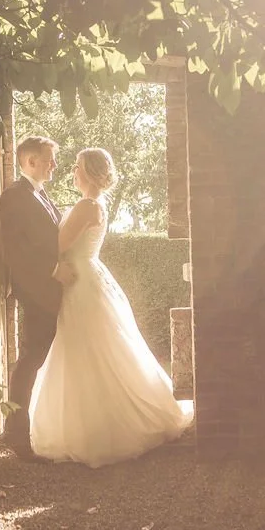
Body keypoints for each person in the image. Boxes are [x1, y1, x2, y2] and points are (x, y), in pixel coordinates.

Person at [28, 147, 192, 468]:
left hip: (79, 282)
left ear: (89, 172)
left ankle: (96, 430)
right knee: (92, 350)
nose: (72, 172)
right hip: (88, 276)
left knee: (84, 351)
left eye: (77, 167)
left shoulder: (87, 206)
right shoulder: (93, 204)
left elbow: (57, 246)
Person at [0, 136, 75, 460]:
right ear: (30, 162)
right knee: (31, 359)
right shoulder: (14, 197)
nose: (54, 165)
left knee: (44, 359)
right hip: (37, 292)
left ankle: (47, 428)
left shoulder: (39, 194)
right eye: (48, 159)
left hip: (52, 292)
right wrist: (53, 269)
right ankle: (16, 435)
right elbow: (16, 250)